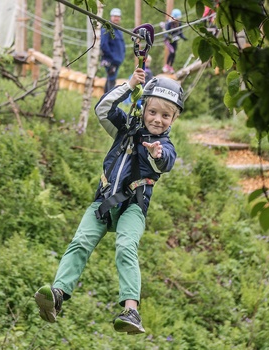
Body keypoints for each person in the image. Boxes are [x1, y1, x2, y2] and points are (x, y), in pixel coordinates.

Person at [34, 67, 184, 335]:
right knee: (80, 242)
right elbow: (102, 109)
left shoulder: (165, 146)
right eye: (152, 112)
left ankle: (131, 310)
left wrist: (156, 152)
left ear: (173, 119)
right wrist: (129, 85)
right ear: (143, 109)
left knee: (126, 247)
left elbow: (163, 163)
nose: (158, 120)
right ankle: (58, 294)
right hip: (103, 202)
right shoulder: (125, 128)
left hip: (133, 207)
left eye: (165, 115)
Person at [100, 8, 126, 93]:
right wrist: (112, 57)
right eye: (115, 16)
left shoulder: (118, 30)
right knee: (111, 81)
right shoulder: (107, 28)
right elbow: (104, 44)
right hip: (110, 60)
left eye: (118, 17)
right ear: (111, 17)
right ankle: (108, 102)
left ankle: (104, 99)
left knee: (110, 79)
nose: (116, 18)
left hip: (117, 60)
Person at [162, 8, 187, 74]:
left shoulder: (179, 24)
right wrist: (167, 36)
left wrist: (183, 37)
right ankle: (166, 65)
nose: (178, 20)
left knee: (174, 53)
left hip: (174, 40)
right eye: (177, 18)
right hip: (168, 40)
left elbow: (180, 33)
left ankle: (171, 66)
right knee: (172, 52)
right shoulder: (169, 23)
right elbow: (165, 32)